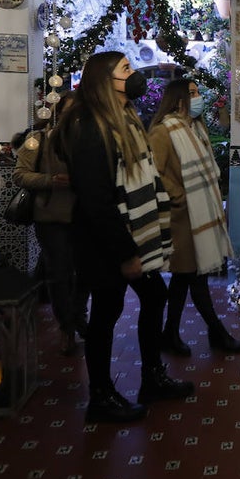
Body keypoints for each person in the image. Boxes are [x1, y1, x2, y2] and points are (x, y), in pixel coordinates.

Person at [55, 51, 194, 423]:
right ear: (106, 81)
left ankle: (151, 379)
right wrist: (126, 254)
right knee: (105, 314)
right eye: (126, 69)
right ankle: (100, 397)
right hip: (105, 242)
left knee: (153, 296)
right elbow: (97, 199)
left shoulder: (126, 118)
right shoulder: (90, 125)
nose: (135, 74)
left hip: (129, 235)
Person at [147, 78, 240, 356]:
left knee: (183, 278)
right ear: (178, 100)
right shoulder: (163, 132)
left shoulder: (195, 129)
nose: (198, 97)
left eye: (197, 92)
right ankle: (217, 332)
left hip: (197, 217)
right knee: (195, 277)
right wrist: (178, 196)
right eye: (192, 93)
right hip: (181, 219)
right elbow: (154, 173)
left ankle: (171, 333)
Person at [12, 92, 88, 356]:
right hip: (51, 216)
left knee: (84, 273)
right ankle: (67, 325)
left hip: (83, 215)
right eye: (70, 111)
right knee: (59, 273)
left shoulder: (87, 139)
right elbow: (20, 174)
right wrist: (50, 180)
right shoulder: (38, 139)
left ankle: (79, 317)